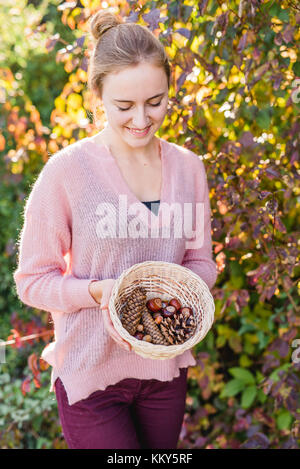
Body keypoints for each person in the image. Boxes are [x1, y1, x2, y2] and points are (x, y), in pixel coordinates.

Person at [13, 9, 218, 449]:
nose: (141, 120)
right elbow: (32, 281)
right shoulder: (66, 173)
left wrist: (179, 291)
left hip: (165, 371)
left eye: (155, 102)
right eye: (124, 106)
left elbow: (201, 262)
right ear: (97, 97)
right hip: (90, 376)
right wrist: (96, 292)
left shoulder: (189, 169)